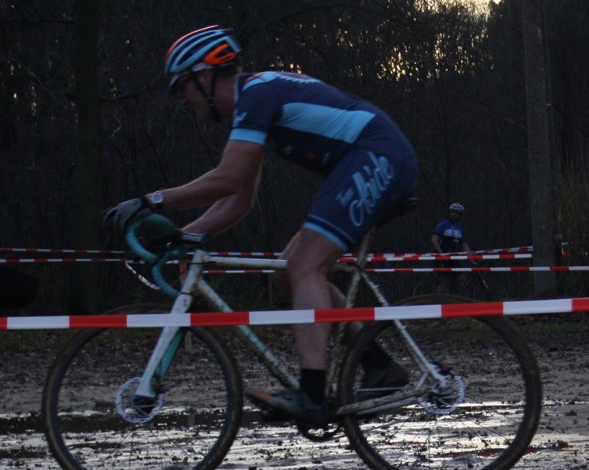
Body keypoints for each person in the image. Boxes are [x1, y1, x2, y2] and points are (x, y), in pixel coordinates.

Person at [102, 25, 419, 427]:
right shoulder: (254, 104)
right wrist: (186, 236)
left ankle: (312, 394)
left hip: (377, 154)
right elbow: (238, 199)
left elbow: (227, 178)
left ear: (205, 75)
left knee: (304, 265)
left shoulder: (256, 95)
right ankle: (379, 366)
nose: (181, 99)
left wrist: (150, 200)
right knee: (289, 272)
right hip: (367, 157)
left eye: (181, 87)